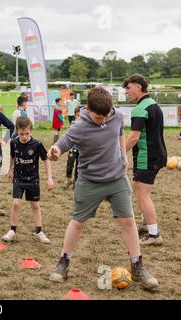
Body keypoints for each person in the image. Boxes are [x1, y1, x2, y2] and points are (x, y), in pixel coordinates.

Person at [47, 86, 159, 290]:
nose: (104, 120)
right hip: (89, 181)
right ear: (88, 109)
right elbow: (61, 145)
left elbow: (120, 131)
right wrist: (54, 152)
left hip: (117, 179)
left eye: (106, 116)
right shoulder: (79, 127)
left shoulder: (114, 117)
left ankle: (137, 265)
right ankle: (64, 261)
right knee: (78, 223)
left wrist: (123, 156)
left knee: (129, 221)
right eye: (100, 118)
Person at [123, 74, 167, 245]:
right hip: (156, 155)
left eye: (128, 88)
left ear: (138, 87)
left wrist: (119, 153)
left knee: (142, 194)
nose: (126, 92)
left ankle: (154, 235)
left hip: (147, 158)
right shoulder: (154, 105)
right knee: (138, 189)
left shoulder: (140, 109)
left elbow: (133, 137)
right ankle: (147, 225)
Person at [2, 116, 54, 243]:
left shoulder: (37, 144)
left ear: (31, 130)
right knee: (15, 203)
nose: (24, 136)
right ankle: (12, 230)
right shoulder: (14, 143)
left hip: (33, 180)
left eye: (27, 133)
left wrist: (49, 178)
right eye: (21, 134)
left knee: (35, 205)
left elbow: (46, 160)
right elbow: (13, 158)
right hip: (19, 178)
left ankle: (39, 231)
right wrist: (10, 170)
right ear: (17, 131)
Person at [63, 105, 82, 189]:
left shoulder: (86, 126)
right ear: (75, 116)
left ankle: (76, 181)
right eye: (78, 115)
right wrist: (68, 148)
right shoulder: (73, 125)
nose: (79, 117)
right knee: (70, 163)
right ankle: (68, 179)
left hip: (81, 150)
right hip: (73, 148)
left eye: (81, 116)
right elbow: (69, 138)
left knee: (79, 165)